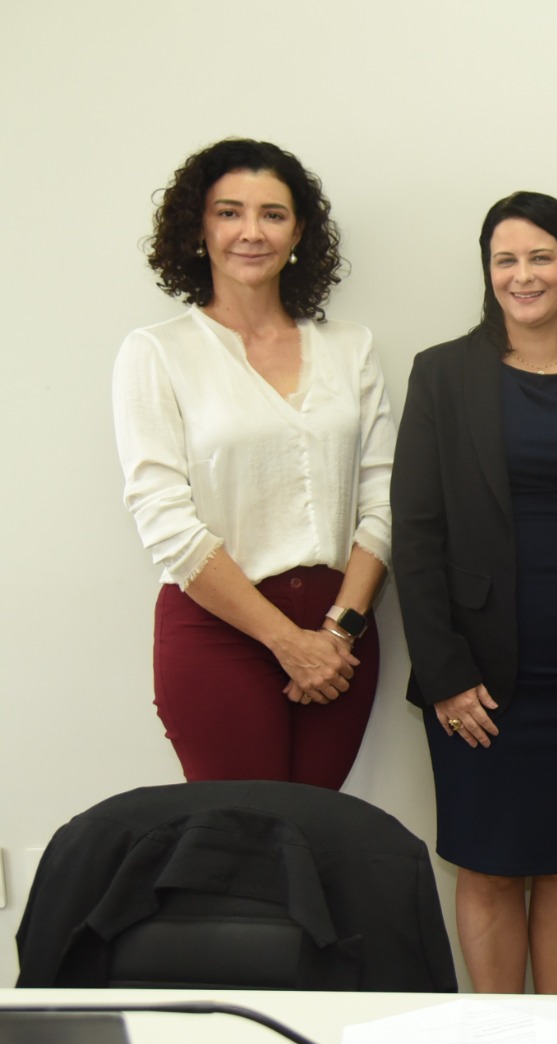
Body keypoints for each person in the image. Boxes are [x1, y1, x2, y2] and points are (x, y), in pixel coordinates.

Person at [391, 192, 557, 994]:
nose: (523, 274)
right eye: (505, 259)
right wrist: (442, 672)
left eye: (541, 256)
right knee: (490, 865)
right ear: (487, 273)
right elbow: (416, 529)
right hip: (476, 677)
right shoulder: (442, 373)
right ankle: (500, 1042)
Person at [112, 138, 394, 789]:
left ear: (299, 232)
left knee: (315, 839)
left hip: (341, 633)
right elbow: (164, 520)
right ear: (198, 228)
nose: (251, 232)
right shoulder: (157, 353)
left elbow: (382, 499)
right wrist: (287, 642)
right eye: (229, 212)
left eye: (272, 214)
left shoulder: (351, 349)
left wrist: (337, 631)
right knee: (239, 846)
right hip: (218, 629)